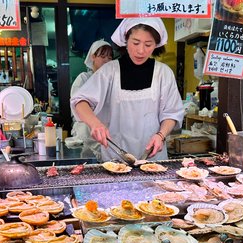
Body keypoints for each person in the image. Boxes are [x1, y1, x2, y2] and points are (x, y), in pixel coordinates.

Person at [71, 18, 184, 161]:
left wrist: (161, 135)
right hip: (115, 157)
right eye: (135, 43)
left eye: (148, 44)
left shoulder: (163, 73)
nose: (141, 50)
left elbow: (172, 113)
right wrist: (95, 124)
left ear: (156, 45)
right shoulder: (109, 71)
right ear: (125, 39)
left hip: (153, 157)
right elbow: (80, 101)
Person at [70, 39, 113, 158]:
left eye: (110, 58)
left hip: (107, 133)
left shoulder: (112, 81)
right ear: (93, 57)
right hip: (87, 133)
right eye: (103, 56)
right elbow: (78, 106)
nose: (106, 60)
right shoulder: (83, 78)